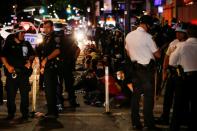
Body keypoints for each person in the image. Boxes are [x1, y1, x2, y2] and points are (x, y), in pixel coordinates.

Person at [125, 15, 161, 130]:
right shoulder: (148, 37)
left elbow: (127, 51)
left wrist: (136, 57)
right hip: (146, 70)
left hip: (135, 68)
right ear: (147, 25)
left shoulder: (129, 35)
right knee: (148, 98)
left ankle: (136, 122)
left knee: (135, 96)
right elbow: (158, 55)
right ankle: (149, 124)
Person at [1, 25, 35, 120]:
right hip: (13, 74)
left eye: (24, 33)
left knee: (25, 96)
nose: (24, 35)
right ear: (16, 33)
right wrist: (8, 66)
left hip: (24, 74)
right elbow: (2, 56)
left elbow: (32, 54)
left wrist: (30, 60)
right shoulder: (9, 44)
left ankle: (25, 113)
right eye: (22, 33)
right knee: (11, 96)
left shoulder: (26, 43)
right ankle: (11, 113)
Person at [157, 22, 188, 125]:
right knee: (167, 97)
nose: (178, 35)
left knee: (181, 99)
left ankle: (183, 118)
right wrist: (164, 72)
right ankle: (165, 117)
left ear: (186, 34)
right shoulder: (173, 43)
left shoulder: (189, 43)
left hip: (183, 74)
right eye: (177, 32)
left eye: (180, 33)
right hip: (172, 73)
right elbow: (167, 57)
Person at [169, 23, 197, 131]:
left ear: (188, 33)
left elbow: (172, 62)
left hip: (184, 78)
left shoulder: (182, 46)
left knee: (179, 104)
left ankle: (175, 127)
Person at [36, 20, 61, 118]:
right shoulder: (46, 37)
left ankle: (53, 112)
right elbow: (42, 52)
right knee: (48, 91)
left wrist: (46, 59)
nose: (45, 29)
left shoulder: (56, 37)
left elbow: (57, 50)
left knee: (51, 90)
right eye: (44, 27)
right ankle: (51, 111)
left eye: (47, 27)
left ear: (52, 28)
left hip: (52, 67)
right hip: (46, 67)